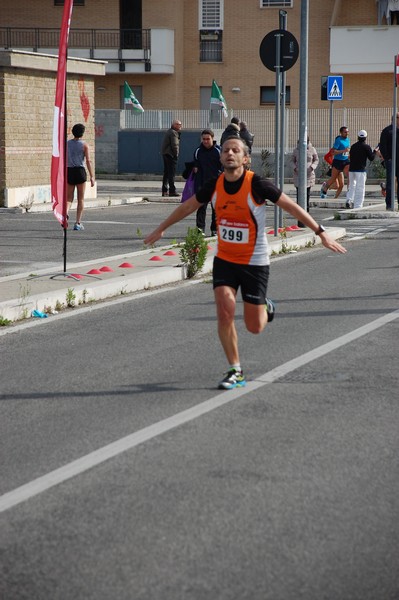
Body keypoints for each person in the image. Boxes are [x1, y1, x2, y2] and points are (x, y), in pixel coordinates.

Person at [144, 137, 346, 390]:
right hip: (225, 259)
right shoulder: (214, 185)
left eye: (235, 150)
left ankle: (265, 306)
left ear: (245, 158)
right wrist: (162, 228)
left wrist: (320, 232)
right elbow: (189, 206)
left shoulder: (257, 184)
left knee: (254, 326)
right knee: (225, 309)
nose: (230, 153)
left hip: (255, 261)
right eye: (226, 150)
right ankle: (235, 370)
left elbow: (291, 206)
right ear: (221, 157)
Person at [192, 129, 222, 236]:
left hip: (216, 185)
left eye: (207, 139)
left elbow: (223, 167)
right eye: (203, 139)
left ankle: (215, 229)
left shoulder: (218, 151)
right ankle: (200, 230)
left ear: (212, 139)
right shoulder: (198, 151)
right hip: (202, 184)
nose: (205, 141)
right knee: (201, 207)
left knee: (216, 209)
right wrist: (195, 167)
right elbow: (195, 164)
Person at [67, 123, 94, 231]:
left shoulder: (67, 144)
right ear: (82, 133)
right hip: (80, 171)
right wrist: (92, 176)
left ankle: (65, 213)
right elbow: (88, 161)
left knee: (69, 198)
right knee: (80, 199)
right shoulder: (84, 145)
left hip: (69, 170)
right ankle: (78, 223)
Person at [345, 130, 376, 209]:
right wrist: (375, 151)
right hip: (361, 170)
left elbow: (350, 156)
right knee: (360, 187)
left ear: (358, 137)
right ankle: (358, 205)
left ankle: (349, 200)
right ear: (365, 138)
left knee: (352, 185)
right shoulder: (366, 147)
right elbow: (371, 158)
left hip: (352, 169)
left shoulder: (353, 146)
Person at [320, 126, 351, 200]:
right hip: (337, 162)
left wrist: (348, 154)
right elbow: (333, 152)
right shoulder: (338, 140)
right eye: (345, 132)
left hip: (345, 161)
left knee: (348, 177)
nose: (347, 133)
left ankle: (349, 194)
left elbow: (347, 150)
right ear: (341, 133)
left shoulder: (348, 140)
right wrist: (343, 151)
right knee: (333, 179)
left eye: (347, 132)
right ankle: (324, 190)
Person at [291, 138, 319, 211]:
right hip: (298, 174)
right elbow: (291, 161)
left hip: (309, 174)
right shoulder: (296, 150)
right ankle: (299, 209)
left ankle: (306, 208)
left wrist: (312, 167)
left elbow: (316, 160)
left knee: (307, 192)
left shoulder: (312, 149)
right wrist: (295, 168)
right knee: (299, 192)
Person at [379, 111, 399, 210]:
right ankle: (390, 204)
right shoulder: (387, 131)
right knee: (391, 182)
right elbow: (382, 146)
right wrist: (388, 158)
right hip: (391, 160)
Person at [161, 120, 182, 197]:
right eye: (179, 124)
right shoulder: (173, 133)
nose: (180, 126)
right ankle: (172, 191)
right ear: (175, 125)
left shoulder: (169, 131)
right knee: (171, 173)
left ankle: (164, 190)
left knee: (166, 173)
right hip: (170, 155)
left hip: (165, 154)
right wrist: (176, 154)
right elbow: (175, 144)